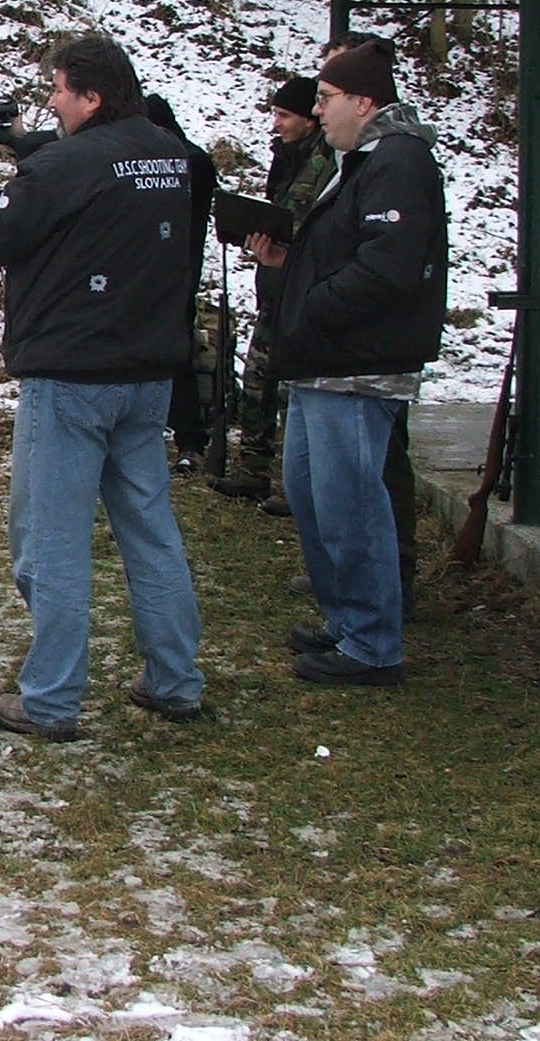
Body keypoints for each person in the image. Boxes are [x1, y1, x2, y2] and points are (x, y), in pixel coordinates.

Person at [0, 35, 206, 740]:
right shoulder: (168, 152)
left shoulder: (70, 163)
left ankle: (50, 700)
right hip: (147, 373)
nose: (51, 100)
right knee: (151, 532)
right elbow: (95, 196)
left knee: (51, 544)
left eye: (60, 90)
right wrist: (27, 150)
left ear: (92, 98)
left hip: (72, 377)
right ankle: (175, 680)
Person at [247, 40, 447, 687]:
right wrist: (291, 265)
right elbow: (348, 248)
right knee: (315, 497)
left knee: (352, 507)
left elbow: (387, 266)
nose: (318, 111)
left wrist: (313, 304)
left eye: (326, 99)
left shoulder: (399, 161)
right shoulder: (361, 161)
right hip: (324, 363)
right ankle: (346, 620)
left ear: (363, 103)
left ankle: (372, 644)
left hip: (357, 366)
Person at [208, 75, 333, 503]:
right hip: (276, 283)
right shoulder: (288, 158)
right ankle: (253, 468)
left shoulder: (326, 163)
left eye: (284, 115)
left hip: (303, 288)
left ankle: (292, 480)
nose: (276, 124)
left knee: (287, 388)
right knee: (258, 377)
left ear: (310, 119)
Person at [144, 92, 219, 474]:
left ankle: (190, 438)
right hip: (151, 272)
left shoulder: (190, 162)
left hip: (175, 272)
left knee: (177, 354)